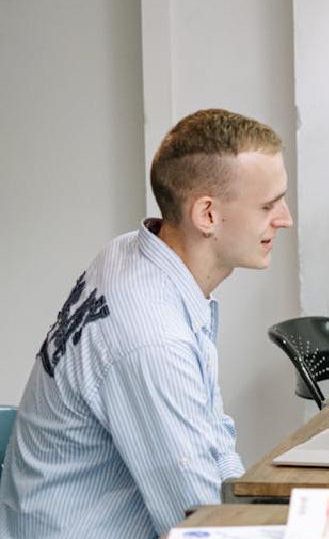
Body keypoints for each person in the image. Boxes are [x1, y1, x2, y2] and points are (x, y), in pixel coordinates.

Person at [0, 109, 294, 539]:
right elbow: (199, 526)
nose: (284, 218)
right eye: (268, 205)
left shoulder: (131, 253)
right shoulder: (152, 340)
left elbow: (212, 438)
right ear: (207, 215)